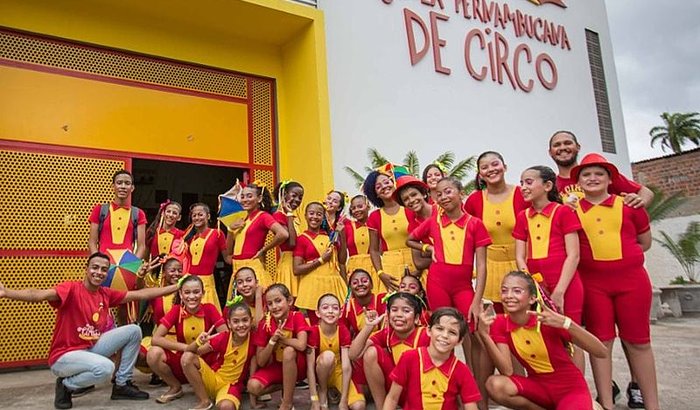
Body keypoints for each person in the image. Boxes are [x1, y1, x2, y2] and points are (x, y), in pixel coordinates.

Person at [0, 252, 177, 409]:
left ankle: (122, 384)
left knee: (133, 331)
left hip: (89, 348)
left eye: (104, 269)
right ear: (86, 269)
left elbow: (140, 294)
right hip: (64, 356)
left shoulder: (104, 294)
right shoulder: (71, 289)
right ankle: (66, 385)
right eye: (95, 267)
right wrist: (7, 292)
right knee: (105, 368)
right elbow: (38, 295)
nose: (99, 272)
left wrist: (177, 287)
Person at [572, 154, 660, 410]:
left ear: (610, 179)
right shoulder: (572, 212)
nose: (593, 178)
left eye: (599, 174)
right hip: (593, 285)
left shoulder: (630, 206)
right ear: (578, 182)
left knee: (639, 342)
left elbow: (645, 243)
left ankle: (653, 404)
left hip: (632, 282)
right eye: (586, 175)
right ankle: (607, 404)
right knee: (601, 342)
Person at [477, 271, 607, 410]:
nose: (509, 296)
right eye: (504, 290)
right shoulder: (500, 323)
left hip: (570, 389)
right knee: (494, 384)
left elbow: (601, 352)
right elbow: (507, 371)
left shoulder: (548, 320)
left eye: (517, 291)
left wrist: (566, 323)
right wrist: (484, 334)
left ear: (532, 298)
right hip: (538, 387)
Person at [406, 176, 491, 368]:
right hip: (437, 284)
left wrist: (477, 301)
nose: (443, 197)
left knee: (475, 330)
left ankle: (474, 378)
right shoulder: (433, 222)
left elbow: (482, 266)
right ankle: (446, 375)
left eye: (448, 191)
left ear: (461, 193)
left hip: (463, 287)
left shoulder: (475, 224)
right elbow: (410, 240)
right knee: (442, 333)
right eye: (438, 194)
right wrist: (428, 248)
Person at [513, 165, 585, 369]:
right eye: (521, 183)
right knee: (546, 336)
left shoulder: (563, 212)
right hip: (537, 285)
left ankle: (576, 384)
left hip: (566, 283)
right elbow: (519, 256)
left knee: (571, 335)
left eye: (529, 182)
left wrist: (559, 291)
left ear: (547, 186)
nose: (523, 187)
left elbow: (574, 255)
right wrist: (531, 286)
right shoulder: (523, 216)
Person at [147, 274, 227, 404]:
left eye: (196, 292)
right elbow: (155, 339)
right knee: (153, 353)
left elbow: (225, 335)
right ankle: (175, 387)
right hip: (182, 361)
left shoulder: (210, 309)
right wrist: (188, 348)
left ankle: (206, 393)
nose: (192, 296)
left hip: (207, 363)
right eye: (187, 292)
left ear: (203, 293)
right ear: (181, 294)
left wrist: (204, 348)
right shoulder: (176, 310)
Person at [464, 151, 528, 313]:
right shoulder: (474, 200)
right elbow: (464, 233)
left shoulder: (522, 194)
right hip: (489, 268)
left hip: (522, 264)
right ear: (480, 174)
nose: (491, 169)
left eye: (495, 164)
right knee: (494, 318)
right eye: (485, 167)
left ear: (504, 167)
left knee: (524, 315)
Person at [384, 307, 481, 410]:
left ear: (459, 341)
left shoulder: (462, 370)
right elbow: (392, 398)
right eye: (439, 329)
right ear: (429, 330)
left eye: (452, 332)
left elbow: (471, 406)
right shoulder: (409, 358)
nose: (445, 335)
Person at [348, 292, 430, 409]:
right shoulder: (387, 334)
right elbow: (353, 354)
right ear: (387, 314)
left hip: (420, 392)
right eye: (394, 310)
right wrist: (369, 326)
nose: (399, 315)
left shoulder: (425, 335)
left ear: (417, 318)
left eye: (406, 311)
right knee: (371, 353)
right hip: (395, 390)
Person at [88, 169, 148, 324]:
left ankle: (123, 337)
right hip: (103, 266)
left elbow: (141, 246)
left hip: (127, 266)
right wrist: (97, 263)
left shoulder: (138, 213)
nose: (123, 186)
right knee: (98, 305)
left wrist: (132, 266)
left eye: (127, 183)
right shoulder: (100, 210)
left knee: (124, 308)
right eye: (119, 183)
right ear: (113, 186)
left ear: (132, 188)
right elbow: (92, 242)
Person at [181, 297, 257, 410]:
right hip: (213, 378)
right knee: (187, 358)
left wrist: (253, 402)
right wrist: (198, 342)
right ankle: (204, 401)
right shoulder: (223, 337)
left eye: (245, 320)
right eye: (236, 321)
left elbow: (252, 373)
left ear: (251, 321)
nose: (241, 325)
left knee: (226, 407)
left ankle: (221, 399)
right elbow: (191, 352)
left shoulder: (254, 341)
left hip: (231, 385)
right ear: (229, 323)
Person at [548, 130, 653, 209]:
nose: (562, 148)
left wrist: (636, 206)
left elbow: (646, 192)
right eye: (557, 145)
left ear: (578, 147)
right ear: (550, 152)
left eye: (567, 143)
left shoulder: (600, 175)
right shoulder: (549, 186)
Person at [247, 284, 310, 410]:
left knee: (289, 351)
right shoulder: (265, 323)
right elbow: (261, 361)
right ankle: (287, 385)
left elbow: (302, 345)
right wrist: (272, 341)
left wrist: (282, 339)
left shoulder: (297, 316)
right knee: (253, 386)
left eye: (278, 301)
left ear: (289, 301)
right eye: (270, 304)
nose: (274, 307)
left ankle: (287, 403)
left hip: (298, 365)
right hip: (276, 367)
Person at [226, 182, 288, 293]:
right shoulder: (242, 220)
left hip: (253, 267)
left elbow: (283, 234)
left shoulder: (263, 216)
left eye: (249, 196)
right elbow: (228, 254)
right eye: (242, 196)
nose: (245, 200)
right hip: (237, 269)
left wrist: (264, 250)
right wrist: (230, 230)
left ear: (259, 198)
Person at [307, 294, 366, 410]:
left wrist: (343, 401)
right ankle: (323, 390)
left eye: (335, 308)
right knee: (328, 356)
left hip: (338, 372)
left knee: (359, 406)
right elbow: (309, 368)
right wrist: (314, 399)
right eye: (325, 308)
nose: (330, 311)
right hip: (321, 372)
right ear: (317, 313)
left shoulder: (342, 330)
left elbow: (346, 367)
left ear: (340, 312)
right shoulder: (314, 331)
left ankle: (336, 392)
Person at [293, 202, 347, 324]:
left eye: (319, 214)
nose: (315, 217)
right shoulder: (302, 238)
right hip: (313, 286)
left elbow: (342, 260)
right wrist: (321, 260)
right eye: (311, 213)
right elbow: (297, 269)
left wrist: (342, 235)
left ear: (323, 217)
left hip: (333, 283)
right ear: (305, 215)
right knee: (316, 325)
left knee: (338, 323)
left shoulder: (330, 236)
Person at [363, 170, 416, 292]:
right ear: (375, 194)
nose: (384, 187)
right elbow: (374, 250)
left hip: (414, 263)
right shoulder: (374, 217)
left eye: (386, 182)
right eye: (378, 187)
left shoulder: (410, 209)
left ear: (394, 183)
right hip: (390, 269)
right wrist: (381, 273)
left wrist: (418, 268)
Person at [185, 203, 232, 311]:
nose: (197, 218)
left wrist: (246, 260)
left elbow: (227, 258)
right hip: (189, 281)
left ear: (208, 216)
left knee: (207, 314)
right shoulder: (190, 238)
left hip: (207, 283)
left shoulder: (217, 234)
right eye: (194, 215)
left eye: (200, 214)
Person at [272, 180, 304, 297]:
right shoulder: (278, 215)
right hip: (289, 264)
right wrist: (289, 214)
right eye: (294, 195)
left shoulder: (295, 218)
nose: (297, 200)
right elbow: (292, 242)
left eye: (300, 197)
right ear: (284, 195)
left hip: (299, 263)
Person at [338, 195, 377, 290]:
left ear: (368, 206)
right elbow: (342, 258)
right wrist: (341, 235)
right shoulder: (347, 226)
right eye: (353, 208)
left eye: (360, 206)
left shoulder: (375, 224)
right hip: (353, 268)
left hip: (374, 267)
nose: (356, 210)